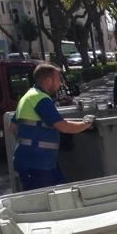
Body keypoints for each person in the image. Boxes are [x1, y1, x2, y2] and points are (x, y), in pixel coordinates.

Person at [11, 63, 93, 191]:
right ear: (48, 80)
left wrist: (32, 138)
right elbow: (63, 127)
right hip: (38, 165)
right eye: (58, 79)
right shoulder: (41, 99)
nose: (60, 83)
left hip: (35, 162)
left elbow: (13, 127)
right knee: (43, 203)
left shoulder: (28, 96)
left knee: (62, 194)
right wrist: (86, 124)